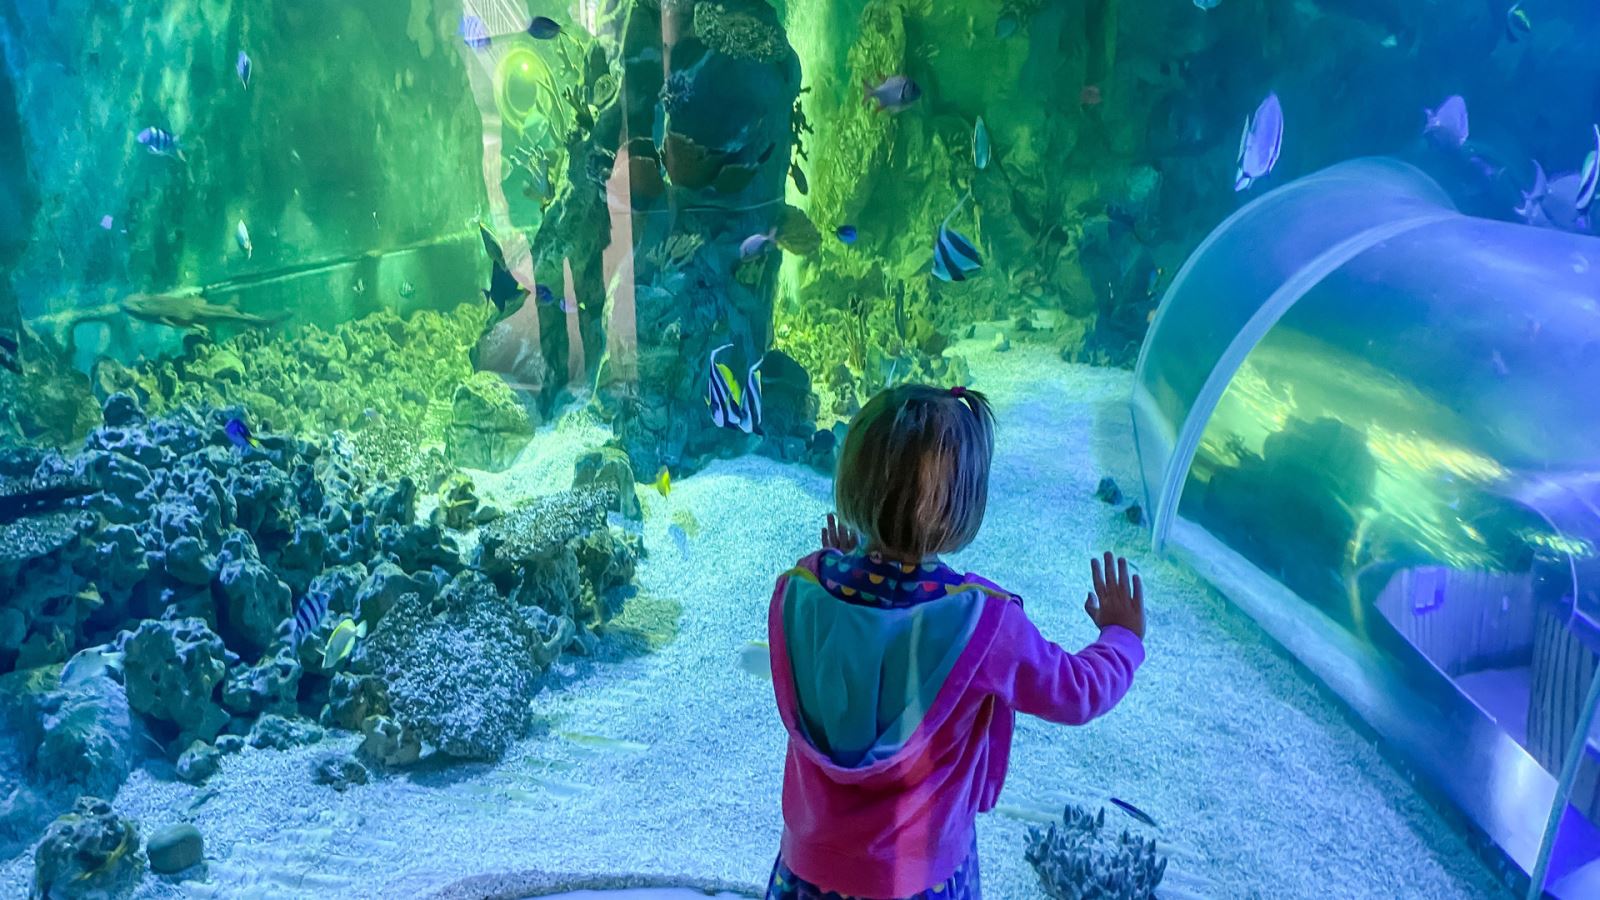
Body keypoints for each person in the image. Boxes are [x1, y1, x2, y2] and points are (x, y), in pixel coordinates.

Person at [764, 383, 1147, 900]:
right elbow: (1077, 692)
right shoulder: (984, 623)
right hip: (919, 881)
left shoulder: (800, 591)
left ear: (850, 478)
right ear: (962, 507)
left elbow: (849, 658)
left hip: (805, 873)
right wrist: (1121, 637)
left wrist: (843, 561)